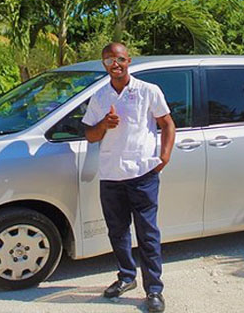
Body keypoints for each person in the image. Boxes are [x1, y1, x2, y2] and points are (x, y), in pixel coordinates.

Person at [82, 42, 175, 313]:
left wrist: (164, 156)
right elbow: (90, 135)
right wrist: (104, 124)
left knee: (147, 234)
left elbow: (167, 123)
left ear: (128, 61)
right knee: (117, 231)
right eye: (109, 60)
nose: (115, 64)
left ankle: (154, 290)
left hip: (142, 173)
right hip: (111, 175)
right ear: (104, 64)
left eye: (120, 59)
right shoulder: (100, 96)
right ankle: (126, 276)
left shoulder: (148, 91)